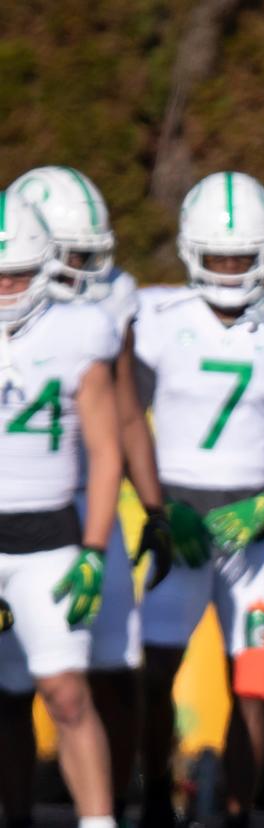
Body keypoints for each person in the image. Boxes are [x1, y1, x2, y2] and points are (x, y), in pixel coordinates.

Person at [134, 171, 264, 827]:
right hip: (178, 515)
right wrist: (157, 506)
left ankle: (239, 811)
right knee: (153, 673)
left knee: (256, 682)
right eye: (220, 258)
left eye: (243, 256)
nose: (233, 270)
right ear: (191, 250)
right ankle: (154, 793)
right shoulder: (156, 318)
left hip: (256, 521)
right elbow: (122, 424)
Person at [10, 164, 173, 824]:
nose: (82, 269)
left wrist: (154, 508)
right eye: (68, 254)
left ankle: (118, 804)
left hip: (76, 511)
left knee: (98, 673)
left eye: (85, 254)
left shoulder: (97, 313)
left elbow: (125, 417)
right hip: (27, 509)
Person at [0, 190, 123, 828]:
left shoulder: (78, 328)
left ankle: (97, 821)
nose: (4, 289)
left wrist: (95, 550)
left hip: (50, 537)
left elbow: (106, 452)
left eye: (14, 274)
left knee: (66, 693)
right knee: (6, 700)